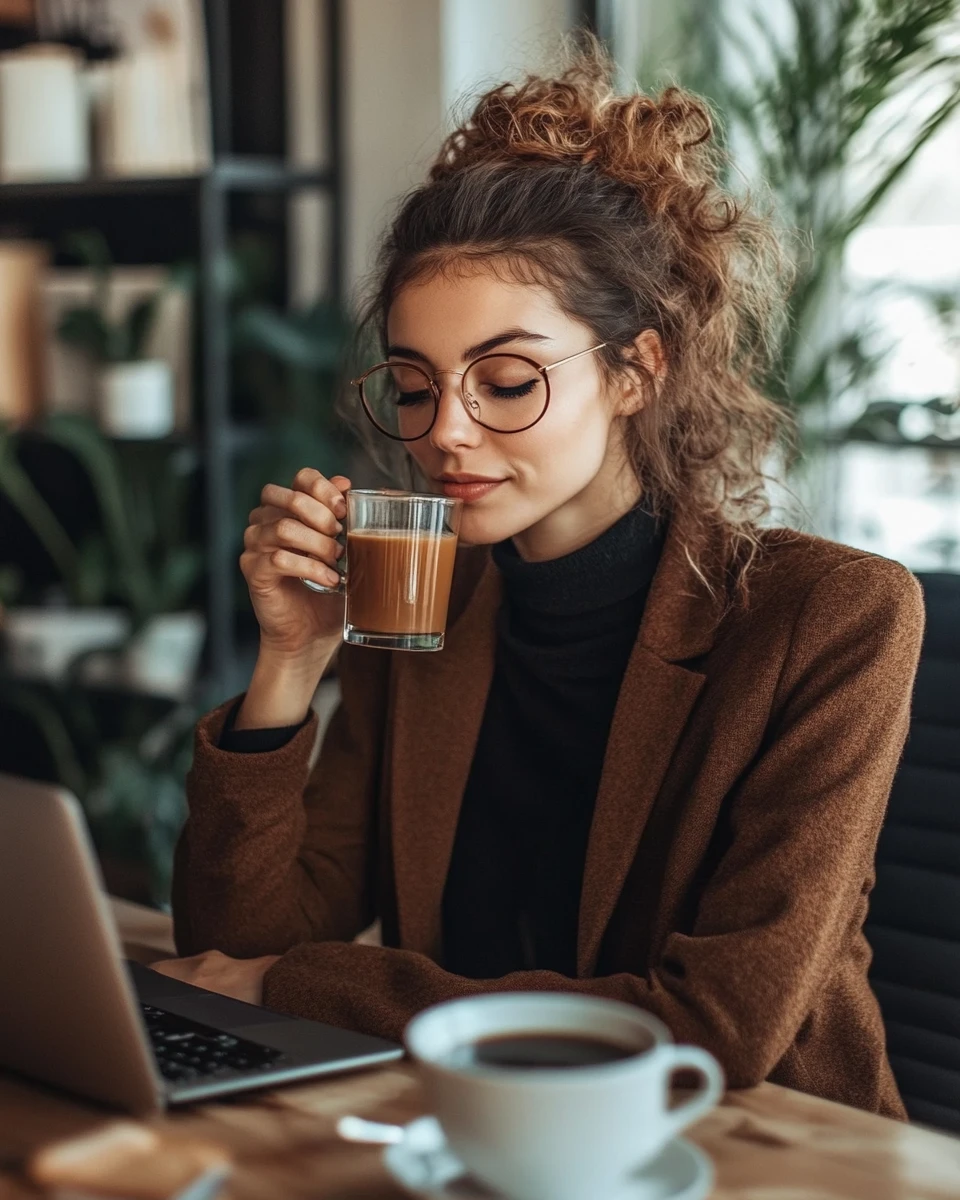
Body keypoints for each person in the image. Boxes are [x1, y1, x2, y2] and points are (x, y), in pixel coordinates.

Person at [154, 43, 924, 1119]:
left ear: (634, 370)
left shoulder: (829, 617)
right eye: (416, 387)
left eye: (506, 382)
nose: (445, 434)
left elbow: (716, 1026)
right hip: (483, 1123)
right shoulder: (425, 599)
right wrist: (292, 660)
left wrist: (305, 988)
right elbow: (233, 948)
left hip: (758, 1149)